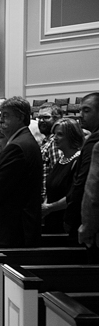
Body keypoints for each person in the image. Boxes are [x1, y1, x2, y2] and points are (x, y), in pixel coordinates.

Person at [0, 97, 43, 247]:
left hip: (13, 229)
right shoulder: (22, 141)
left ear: (20, 117)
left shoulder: (17, 147)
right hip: (14, 226)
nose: (0, 120)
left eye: (5, 115)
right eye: (0, 115)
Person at [64, 92, 99, 240]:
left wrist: (72, 218)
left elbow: (86, 186)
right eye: (80, 111)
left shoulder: (94, 144)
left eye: (86, 110)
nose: (80, 115)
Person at [41, 118, 84, 233]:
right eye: (54, 134)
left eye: (59, 134)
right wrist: (45, 205)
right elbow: (51, 188)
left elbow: (74, 195)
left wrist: (49, 207)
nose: (54, 138)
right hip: (52, 218)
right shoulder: (61, 160)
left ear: (72, 136)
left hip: (66, 221)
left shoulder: (78, 161)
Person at [36, 103, 61, 197]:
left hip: (49, 201)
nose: (41, 120)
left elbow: (58, 177)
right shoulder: (45, 141)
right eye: (39, 118)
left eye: (46, 117)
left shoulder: (56, 142)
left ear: (57, 119)